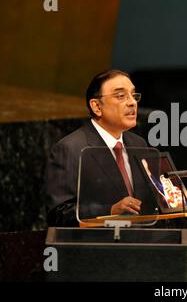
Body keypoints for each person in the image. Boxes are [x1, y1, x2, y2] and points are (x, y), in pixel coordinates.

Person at [46, 69, 157, 226]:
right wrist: (109, 211)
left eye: (134, 95)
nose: (132, 102)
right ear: (97, 106)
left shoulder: (138, 144)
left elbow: (149, 199)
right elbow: (58, 214)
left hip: (141, 244)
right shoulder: (70, 148)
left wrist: (178, 202)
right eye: (121, 96)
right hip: (98, 246)